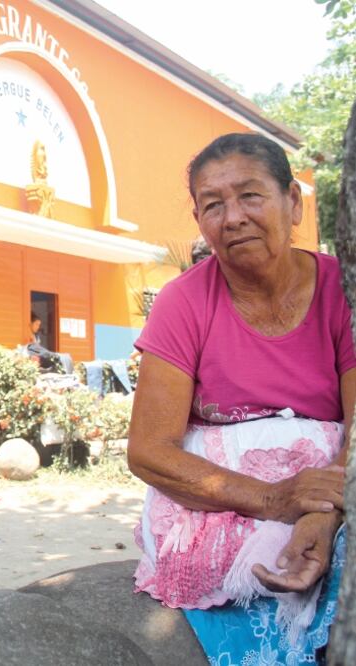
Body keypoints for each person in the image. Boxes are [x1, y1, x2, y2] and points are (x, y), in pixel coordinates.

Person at [128, 133, 354, 663]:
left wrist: (321, 512)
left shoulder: (342, 289)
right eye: (213, 205)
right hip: (229, 504)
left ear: (293, 202)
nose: (232, 218)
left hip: (333, 490)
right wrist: (276, 500)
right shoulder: (182, 302)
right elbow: (149, 451)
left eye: (250, 195)